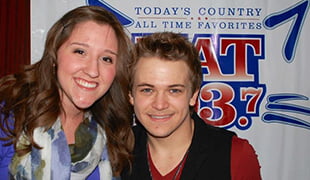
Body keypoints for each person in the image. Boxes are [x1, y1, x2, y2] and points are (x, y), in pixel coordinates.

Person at [0, 5, 134, 179]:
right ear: (54, 54)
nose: (93, 71)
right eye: (80, 51)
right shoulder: (8, 119)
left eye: (106, 58)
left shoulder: (114, 133)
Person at [121, 32, 261, 180]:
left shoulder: (235, 154)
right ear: (131, 95)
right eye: (147, 90)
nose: (159, 104)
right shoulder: (114, 154)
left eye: (174, 90)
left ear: (194, 95)